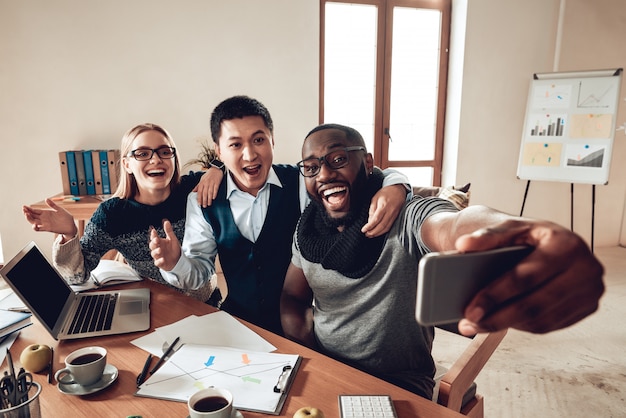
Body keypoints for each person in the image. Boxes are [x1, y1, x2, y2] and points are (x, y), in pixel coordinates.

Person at [280, 123, 605, 400]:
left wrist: (516, 233)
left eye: (338, 159)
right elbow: (293, 299)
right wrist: (312, 357)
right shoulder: (306, 231)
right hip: (325, 370)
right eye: (311, 167)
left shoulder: (403, 215)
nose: (324, 173)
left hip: (398, 385)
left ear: (367, 162)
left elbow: (452, 224)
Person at [150, 95, 410, 335]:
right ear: (219, 152)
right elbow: (200, 277)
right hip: (236, 325)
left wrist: (397, 184)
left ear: (273, 140)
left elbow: (361, 176)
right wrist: (175, 264)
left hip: (302, 325)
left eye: (259, 140)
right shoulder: (202, 200)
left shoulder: (301, 181)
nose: (250, 154)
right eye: (235, 144)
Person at [23, 122, 223, 302]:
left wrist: (218, 168)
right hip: (155, 307)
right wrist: (69, 234)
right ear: (127, 164)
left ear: (173, 157)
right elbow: (76, 276)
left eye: (164, 151)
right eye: (142, 154)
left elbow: (240, 167)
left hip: (204, 303)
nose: (155, 160)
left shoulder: (195, 189)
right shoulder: (112, 214)